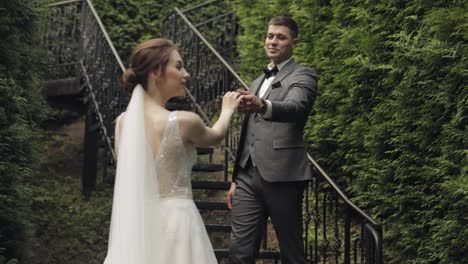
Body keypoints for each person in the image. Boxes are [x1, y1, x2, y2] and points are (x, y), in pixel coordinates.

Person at [103, 38, 242, 264]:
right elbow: (216, 136)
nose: (185, 74)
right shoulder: (184, 121)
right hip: (179, 224)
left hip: (137, 227)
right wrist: (227, 110)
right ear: (155, 72)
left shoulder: (122, 123)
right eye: (178, 66)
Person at [226, 16, 318, 264]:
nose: (273, 41)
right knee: (240, 252)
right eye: (270, 36)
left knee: (292, 253)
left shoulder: (303, 75)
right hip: (247, 177)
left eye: (281, 37)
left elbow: (296, 107)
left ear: (294, 43)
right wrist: (236, 178)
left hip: (284, 176)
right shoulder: (257, 81)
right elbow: (247, 133)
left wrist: (263, 104)